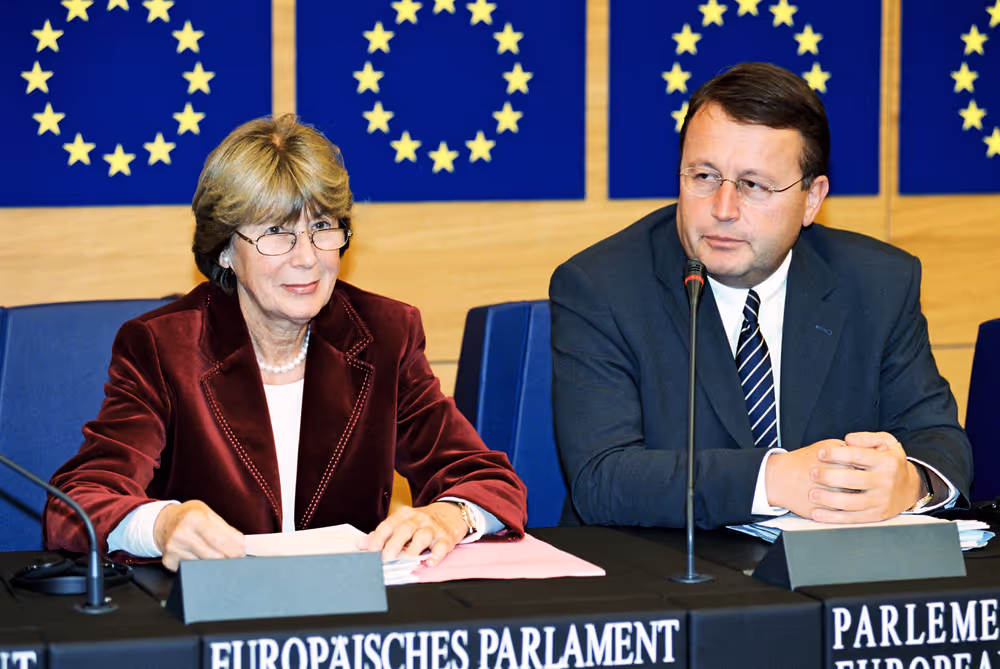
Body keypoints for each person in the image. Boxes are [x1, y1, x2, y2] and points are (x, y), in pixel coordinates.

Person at [45, 115, 527, 570]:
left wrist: (448, 516)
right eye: (276, 232)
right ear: (225, 250)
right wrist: (161, 524)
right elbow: (81, 501)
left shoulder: (384, 334)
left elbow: (487, 478)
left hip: (352, 620)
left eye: (321, 228)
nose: (307, 259)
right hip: (216, 622)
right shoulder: (163, 346)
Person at [549, 62, 972, 530]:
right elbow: (602, 479)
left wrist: (910, 483)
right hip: (659, 575)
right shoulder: (602, 286)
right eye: (704, 176)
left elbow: (939, 440)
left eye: (754, 185)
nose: (723, 210)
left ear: (812, 199)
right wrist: (773, 479)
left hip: (832, 579)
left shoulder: (879, 283)